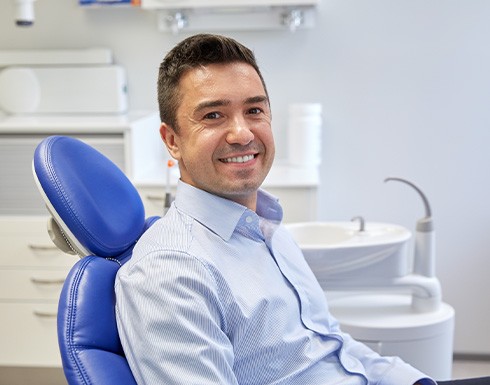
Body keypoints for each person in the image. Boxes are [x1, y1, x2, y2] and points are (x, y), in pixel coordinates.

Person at [115, 33, 488, 385]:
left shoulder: (266, 227)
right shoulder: (170, 272)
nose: (242, 133)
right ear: (172, 140)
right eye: (213, 115)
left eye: (255, 110)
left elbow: (333, 344)